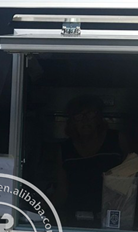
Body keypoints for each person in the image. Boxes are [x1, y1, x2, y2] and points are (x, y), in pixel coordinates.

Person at [55, 95, 128, 224]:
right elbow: (62, 190)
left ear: (99, 117)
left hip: (112, 217)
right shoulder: (65, 149)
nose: (85, 120)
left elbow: (133, 179)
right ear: (72, 121)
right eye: (78, 116)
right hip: (74, 218)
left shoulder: (117, 140)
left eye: (90, 114)